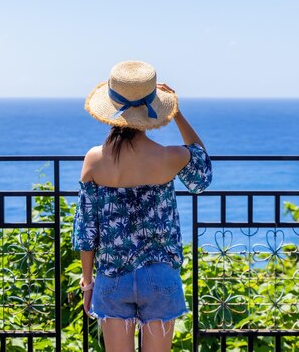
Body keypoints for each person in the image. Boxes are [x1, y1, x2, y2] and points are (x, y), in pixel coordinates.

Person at [72, 60, 212, 352]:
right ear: (153, 111)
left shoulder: (94, 159)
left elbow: (86, 231)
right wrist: (177, 112)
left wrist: (88, 283)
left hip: (112, 276)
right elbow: (202, 175)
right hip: (160, 276)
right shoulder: (168, 157)